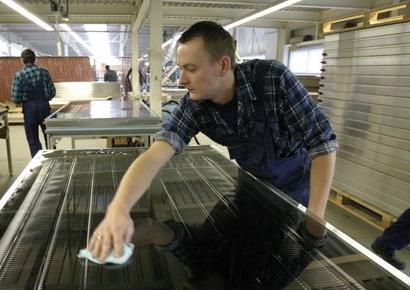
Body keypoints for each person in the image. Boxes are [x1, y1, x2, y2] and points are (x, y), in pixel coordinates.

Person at [89, 20, 337, 261]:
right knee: (250, 251)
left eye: (191, 69)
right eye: (181, 68)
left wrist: (315, 215)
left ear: (223, 65)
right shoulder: (195, 106)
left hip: (297, 193)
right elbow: (155, 156)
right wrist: (118, 209)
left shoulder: (272, 80)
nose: (181, 80)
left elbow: (322, 143)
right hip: (252, 187)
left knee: (281, 257)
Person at [131, 174, 327, 290]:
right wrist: (318, 178)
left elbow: (154, 231)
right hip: (290, 178)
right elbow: (308, 242)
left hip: (251, 167)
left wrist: (121, 237)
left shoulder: (197, 258)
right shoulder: (258, 285)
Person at [11, 48, 56, 157]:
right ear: (35, 59)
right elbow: (52, 92)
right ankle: (54, 160)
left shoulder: (19, 75)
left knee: (33, 140)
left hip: (29, 109)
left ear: (22, 60)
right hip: (44, 107)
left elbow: (15, 98)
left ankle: (38, 165)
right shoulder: (44, 72)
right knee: (49, 136)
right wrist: (44, 100)